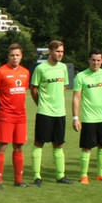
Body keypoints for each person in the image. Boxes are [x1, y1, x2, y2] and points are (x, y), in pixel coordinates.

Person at [71, 50, 102, 185]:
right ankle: (84, 176)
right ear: (89, 60)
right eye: (93, 60)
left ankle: (101, 174)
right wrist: (75, 117)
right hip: (88, 119)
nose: (96, 63)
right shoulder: (81, 76)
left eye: (98, 60)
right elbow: (76, 97)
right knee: (87, 147)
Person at [29, 40, 72, 185]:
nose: (60, 54)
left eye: (62, 51)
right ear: (50, 51)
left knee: (58, 144)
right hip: (45, 112)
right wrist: (41, 103)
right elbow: (33, 89)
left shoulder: (63, 68)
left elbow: (64, 86)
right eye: (57, 51)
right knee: (39, 142)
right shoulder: (41, 68)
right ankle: (37, 176)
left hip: (60, 113)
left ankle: (60, 176)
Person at [0, 43, 30, 189]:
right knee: (2, 146)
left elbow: (22, 91)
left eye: (17, 55)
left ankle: (19, 180)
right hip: (6, 115)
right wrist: (1, 107)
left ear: (21, 56)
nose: (15, 58)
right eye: (12, 55)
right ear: (8, 56)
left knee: (19, 147)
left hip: (21, 116)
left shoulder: (25, 72)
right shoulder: (0, 72)